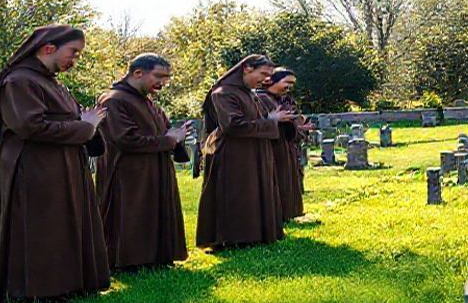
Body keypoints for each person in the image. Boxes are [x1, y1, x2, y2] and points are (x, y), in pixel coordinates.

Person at [0, 24, 109, 303]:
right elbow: (30, 126)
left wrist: (86, 124)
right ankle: (38, 290)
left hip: (58, 165)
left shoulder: (50, 82)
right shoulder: (19, 81)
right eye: (73, 52)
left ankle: (68, 284)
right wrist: (84, 127)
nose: (75, 60)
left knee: (62, 223)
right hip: (33, 168)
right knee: (41, 226)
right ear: (48, 48)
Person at [96, 53, 189, 271]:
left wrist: (176, 136)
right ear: (138, 73)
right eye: (159, 76)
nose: (163, 83)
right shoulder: (114, 99)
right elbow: (125, 139)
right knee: (131, 213)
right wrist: (169, 140)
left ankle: (156, 257)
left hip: (154, 169)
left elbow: (165, 131)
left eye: (167, 78)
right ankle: (128, 261)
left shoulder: (147, 102)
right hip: (127, 173)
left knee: (153, 211)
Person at [196, 54, 296, 249]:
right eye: (264, 74)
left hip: (254, 151)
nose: (267, 80)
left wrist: (272, 120)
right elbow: (233, 126)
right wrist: (271, 121)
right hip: (233, 155)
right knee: (237, 193)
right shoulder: (223, 93)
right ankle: (232, 238)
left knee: (254, 190)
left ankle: (255, 235)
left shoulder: (250, 93)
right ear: (247, 68)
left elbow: (254, 120)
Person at [256, 68, 312, 223]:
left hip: (286, 146)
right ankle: (277, 215)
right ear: (272, 80)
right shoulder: (261, 98)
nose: (289, 87)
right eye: (287, 82)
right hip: (273, 147)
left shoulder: (281, 99)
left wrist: (298, 128)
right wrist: (274, 119)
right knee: (277, 178)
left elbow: (292, 120)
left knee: (289, 179)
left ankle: (290, 212)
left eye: (292, 84)